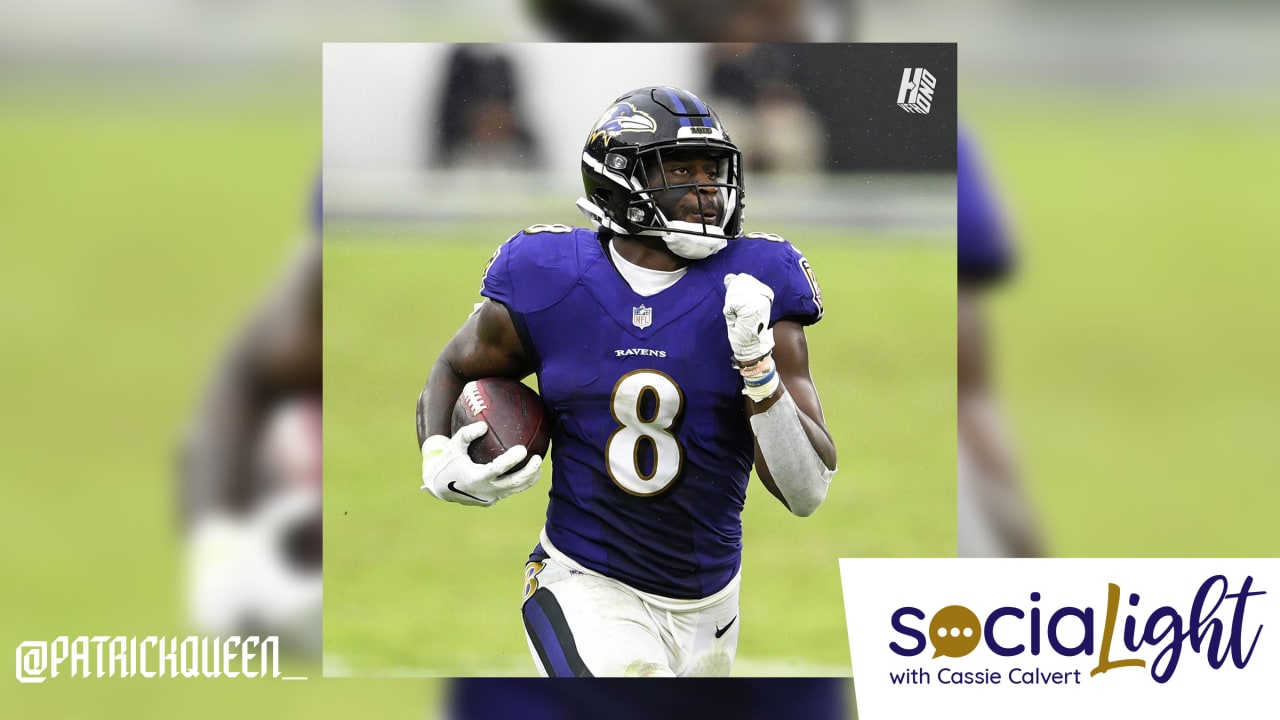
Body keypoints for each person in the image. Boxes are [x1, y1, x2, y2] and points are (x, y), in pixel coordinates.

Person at [416, 86, 837, 677]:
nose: (706, 189)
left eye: (713, 170)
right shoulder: (549, 277)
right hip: (582, 581)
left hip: (709, 605)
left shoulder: (758, 283)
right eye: (680, 170)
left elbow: (806, 492)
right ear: (620, 180)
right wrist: (438, 455)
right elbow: (453, 367)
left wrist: (757, 366)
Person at [956, 128, 1045, 558]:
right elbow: (991, 241)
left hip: (959, 296)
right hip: (964, 295)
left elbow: (982, 242)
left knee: (976, 431)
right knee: (982, 434)